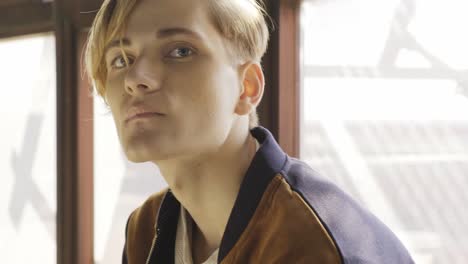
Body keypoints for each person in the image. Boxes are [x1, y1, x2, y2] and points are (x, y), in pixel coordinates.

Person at [84, 0, 414, 263]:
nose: (135, 78)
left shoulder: (312, 243)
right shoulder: (146, 229)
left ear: (247, 87)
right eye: (120, 60)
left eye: (180, 51)